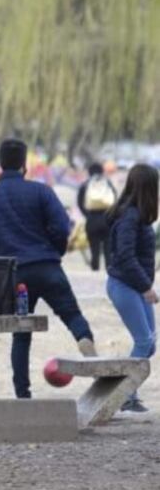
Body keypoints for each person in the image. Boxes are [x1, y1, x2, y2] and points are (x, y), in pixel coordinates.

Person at [0, 138, 96, 399]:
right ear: (24, 164)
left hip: (13, 273)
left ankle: (23, 393)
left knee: (21, 332)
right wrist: (54, 250)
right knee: (72, 314)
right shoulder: (42, 192)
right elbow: (61, 227)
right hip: (47, 265)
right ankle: (87, 346)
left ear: (0, 164)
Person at [105, 164, 159, 413]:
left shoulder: (138, 214)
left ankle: (123, 390)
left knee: (150, 343)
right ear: (149, 187)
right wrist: (146, 287)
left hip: (135, 284)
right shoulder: (130, 216)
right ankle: (126, 396)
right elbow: (125, 256)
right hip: (125, 285)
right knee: (143, 340)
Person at [77, 162, 117, 271]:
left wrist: (87, 214)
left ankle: (95, 268)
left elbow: (80, 202)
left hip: (92, 218)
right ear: (102, 171)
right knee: (108, 246)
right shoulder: (107, 183)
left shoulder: (85, 184)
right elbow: (115, 199)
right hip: (107, 218)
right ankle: (109, 268)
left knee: (94, 246)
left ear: (89, 172)